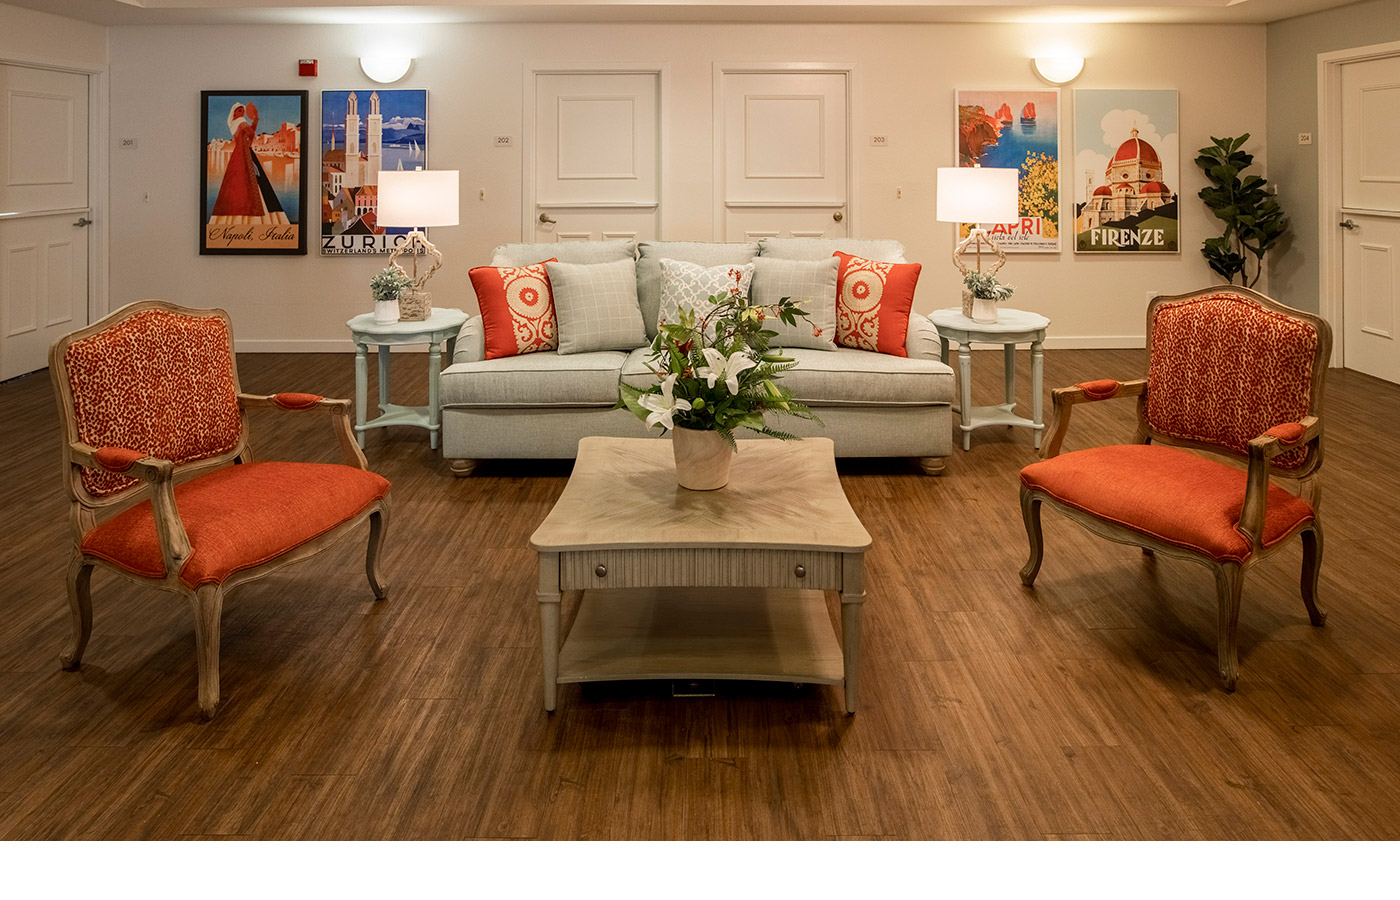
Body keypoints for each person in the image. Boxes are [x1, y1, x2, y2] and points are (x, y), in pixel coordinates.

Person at [209, 101, 289, 226]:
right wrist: (251, 135)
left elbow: (249, 132)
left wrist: (255, 122)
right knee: (251, 181)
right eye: (239, 110)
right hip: (244, 153)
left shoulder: (234, 124)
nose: (242, 113)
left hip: (238, 153)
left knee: (235, 183)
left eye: (243, 111)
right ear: (234, 112)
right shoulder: (241, 122)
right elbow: (251, 133)